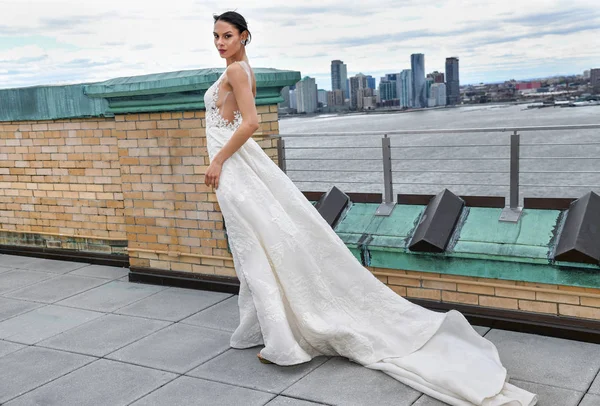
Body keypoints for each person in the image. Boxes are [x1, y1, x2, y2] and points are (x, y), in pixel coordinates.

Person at [203, 11, 537, 406]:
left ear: (244, 36)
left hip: (236, 168)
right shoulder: (239, 68)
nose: (220, 42)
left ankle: (282, 341)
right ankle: (265, 328)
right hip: (238, 169)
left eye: (227, 35)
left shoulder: (238, 71)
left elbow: (252, 122)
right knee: (253, 248)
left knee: (255, 250)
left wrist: (219, 160)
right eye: (216, 36)